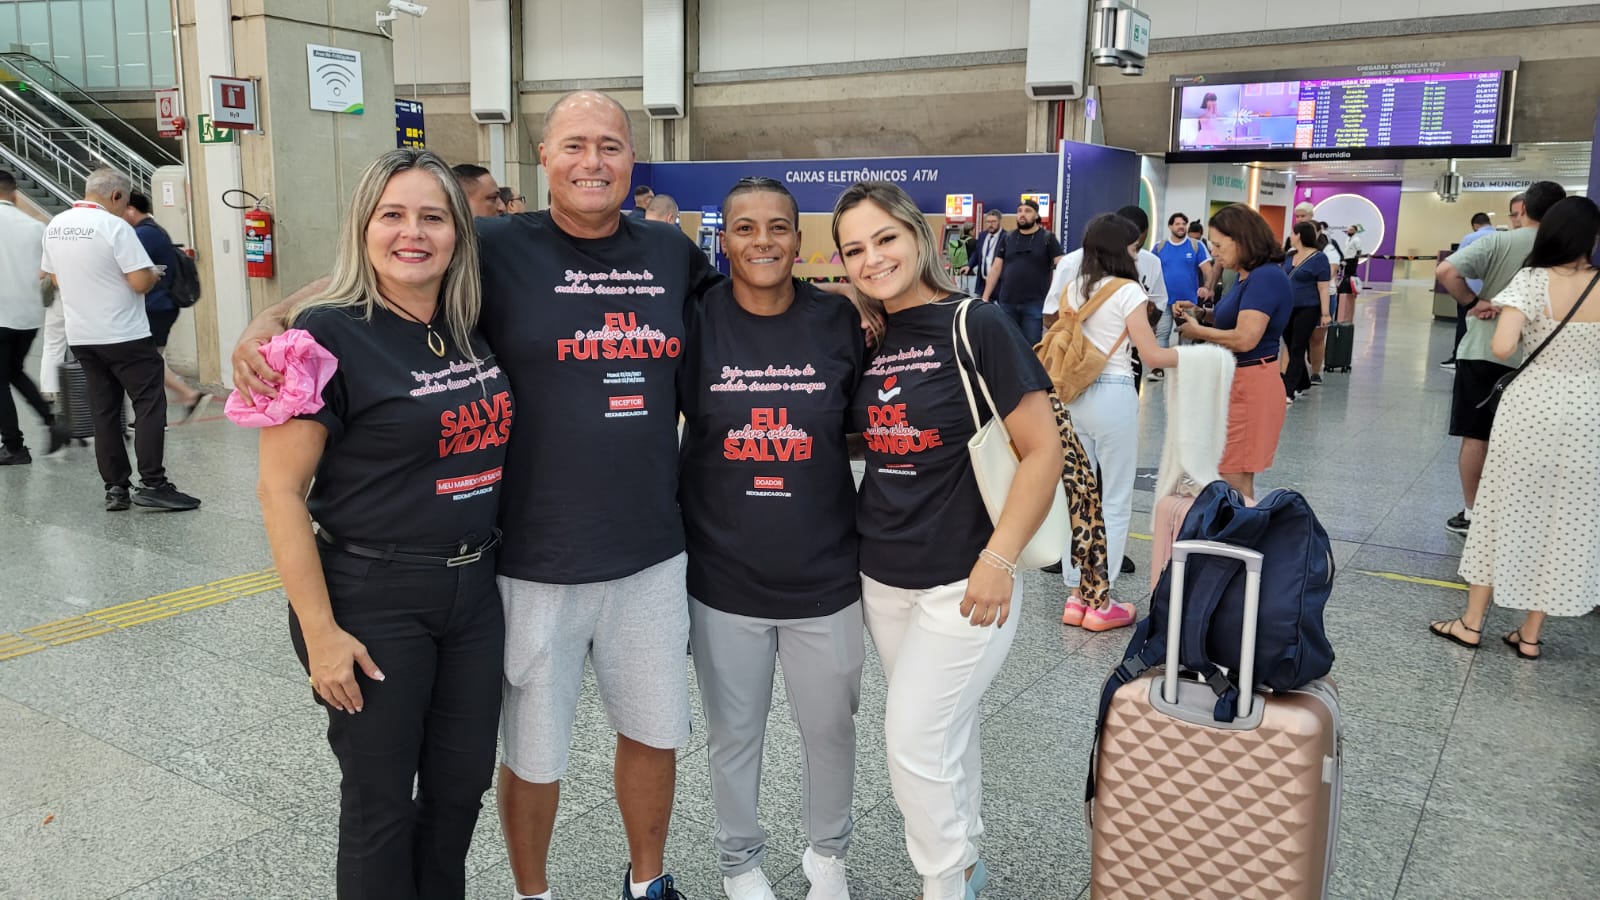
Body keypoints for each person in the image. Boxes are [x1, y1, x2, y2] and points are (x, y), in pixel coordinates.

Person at [235, 91, 722, 900]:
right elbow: (369, 275)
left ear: (634, 160)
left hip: (594, 561)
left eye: (609, 145)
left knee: (510, 777)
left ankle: (647, 883)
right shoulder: (495, 245)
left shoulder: (671, 254)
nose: (591, 161)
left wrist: (851, 302)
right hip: (501, 565)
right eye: (573, 145)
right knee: (449, 780)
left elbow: (751, 304)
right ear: (544, 157)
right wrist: (266, 324)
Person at [240, 148, 510, 900]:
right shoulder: (324, 339)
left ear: (460, 231)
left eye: (431, 216)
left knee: (459, 792)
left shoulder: (466, 321)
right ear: (363, 227)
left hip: (472, 593)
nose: (411, 233)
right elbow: (278, 493)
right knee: (381, 807)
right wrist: (321, 633)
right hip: (371, 596)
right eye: (392, 215)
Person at [837, 181, 1061, 900]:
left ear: (918, 235)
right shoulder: (872, 338)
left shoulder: (977, 324)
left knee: (913, 740)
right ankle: (966, 861)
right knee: (945, 731)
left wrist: (997, 559)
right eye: (854, 249)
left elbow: (1043, 451)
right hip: (885, 575)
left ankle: (945, 881)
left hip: (966, 580)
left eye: (884, 239)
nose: (872, 259)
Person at [680, 177, 864, 900]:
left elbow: (863, 426)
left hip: (825, 572)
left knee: (831, 730)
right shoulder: (696, 320)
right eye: (746, 228)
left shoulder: (838, 320)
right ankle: (739, 863)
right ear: (723, 240)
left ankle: (828, 857)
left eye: (778, 228)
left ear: (799, 238)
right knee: (734, 734)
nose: (763, 242)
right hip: (723, 572)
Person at [1430, 196, 1600, 660]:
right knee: (1562, 516)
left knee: (1500, 507)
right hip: (1587, 411)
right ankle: (1528, 635)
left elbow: (1504, 347)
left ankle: (1471, 622)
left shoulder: (1530, 280)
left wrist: (1509, 317)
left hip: (1532, 406)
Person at [1046, 214, 1177, 631]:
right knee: (1115, 499)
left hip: (1072, 397)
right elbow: (1152, 356)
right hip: (1113, 393)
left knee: (1079, 495)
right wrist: (1198, 355)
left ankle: (1075, 595)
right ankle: (1101, 601)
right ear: (1123, 249)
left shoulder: (1073, 288)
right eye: (1134, 247)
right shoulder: (1128, 292)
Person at [41, 168, 199, 511]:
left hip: (83, 336)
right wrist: (154, 274)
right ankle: (154, 483)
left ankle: (116, 488)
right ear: (116, 196)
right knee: (148, 405)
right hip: (125, 334)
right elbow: (140, 283)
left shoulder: (56, 226)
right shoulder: (115, 227)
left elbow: (55, 278)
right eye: (124, 201)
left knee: (105, 411)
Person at [1435, 181, 1565, 537]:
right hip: (1539, 356)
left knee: (1476, 435)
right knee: (1527, 437)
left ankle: (1473, 512)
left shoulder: (1500, 241)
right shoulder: (1565, 250)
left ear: (1521, 209)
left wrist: (1472, 303)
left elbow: (1447, 271)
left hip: (1484, 350)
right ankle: (1519, 509)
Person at [1174, 204, 1292, 501]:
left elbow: (1245, 338)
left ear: (1242, 240)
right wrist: (1201, 314)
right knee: (1225, 470)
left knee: (1234, 476)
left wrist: (1198, 332)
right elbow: (1237, 321)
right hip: (1236, 380)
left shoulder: (1266, 277)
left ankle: (1238, 539)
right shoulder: (1244, 276)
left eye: (1218, 244)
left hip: (1250, 383)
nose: (1214, 252)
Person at [0, 170, 66, 465]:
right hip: (28, 316)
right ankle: (52, 421)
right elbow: (48, 269)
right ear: (14, 192)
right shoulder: (35, 226)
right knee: (12, 371)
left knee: (1, 380)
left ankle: (14, 446)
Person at [123, 191, 207, 422]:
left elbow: (127, 267)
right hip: (161, 306)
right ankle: (183, 398)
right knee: (148, 361)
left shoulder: (144, 234)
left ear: (131, 209)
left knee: (146, 363)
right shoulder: (153, 230)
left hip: (155, 307)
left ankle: (159, 412)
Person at [980, 198, 1063, 344]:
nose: (1022, 214)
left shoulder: (1048, 239)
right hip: (1006, 303)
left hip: (1035, 304)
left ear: (1036, 215)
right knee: (1007, 345)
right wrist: (985, 298)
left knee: (1032, 347)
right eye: (1019, 211)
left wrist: (1059, 300)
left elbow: (1062, 266)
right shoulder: (1007, 238)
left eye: (1027, 211)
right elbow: (996, 268)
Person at [1152, 211, 1212, 379]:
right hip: (1164, 301)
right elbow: (1151, 271)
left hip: (1187, 302)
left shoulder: (1196, 246)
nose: (1181, 226)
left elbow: (1208, 269)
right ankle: (1159, 368)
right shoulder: (1159, 247)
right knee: (1161, 334)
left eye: (1184, 223)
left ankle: (1184, 368)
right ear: (1170, 226)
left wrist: (1207, 287)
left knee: (1186, 335)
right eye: (1177, 224)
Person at [1280, 222, 1331, 400]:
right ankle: (1303, 381)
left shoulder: (1319, 258)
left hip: (1308, 307)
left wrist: (1325, 314)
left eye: (1292, 233)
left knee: (1298, 345)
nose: (1290, 236)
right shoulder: (1289, 255)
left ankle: (1289, 389)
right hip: (1287, 307)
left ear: (1299, 235)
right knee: (1289, 342)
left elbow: (1324, 288)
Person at [1440, 212, 1497, 370]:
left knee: (1464, 324)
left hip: (1470, 292)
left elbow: (1455, 265)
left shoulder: (1470, 238)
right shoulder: (1501, 237)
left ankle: (1458, 359)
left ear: (1475, 225)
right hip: (1493, 291)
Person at [970, 210, 1002, 298]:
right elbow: (977, 253)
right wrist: (969, 266)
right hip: (982, 282)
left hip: (999, 284)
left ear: (999, 221)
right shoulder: (982, 236)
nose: (990, 224)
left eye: (993, 221)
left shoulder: (1006, 237)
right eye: (988, 222)